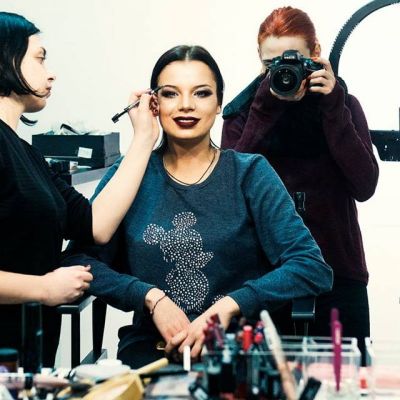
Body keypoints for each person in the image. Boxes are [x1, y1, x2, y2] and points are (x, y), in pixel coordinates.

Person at [63, 44, 333, 368]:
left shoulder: (249, 174)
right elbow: (77, 260)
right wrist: (150, 297)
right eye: (171, 94)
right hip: (152, 351)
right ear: (153, 103)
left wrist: (229, 306)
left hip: (236, 353)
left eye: (201, 93)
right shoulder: (132, 173)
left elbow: (310, 266)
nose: (186, 105)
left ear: (219, 103)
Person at [0, 12, 159, 365]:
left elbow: (95, 225)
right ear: (6, 59)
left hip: (28, 355)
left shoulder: (28, 154)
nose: (51, 73)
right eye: (39, 58)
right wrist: (43, 288)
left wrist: (144, 138)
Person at [221, 6, 379, 360]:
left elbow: (365, 185)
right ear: (259, 59)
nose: (283, 71)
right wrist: (264, 108)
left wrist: (333, 107)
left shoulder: (342, 105)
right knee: (262, 381)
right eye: (271, 64)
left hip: (337, 271)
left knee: (346, 380)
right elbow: (228, 193)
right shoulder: (244, 112)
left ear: (315, 53)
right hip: (263, 277)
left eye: (292, 60)